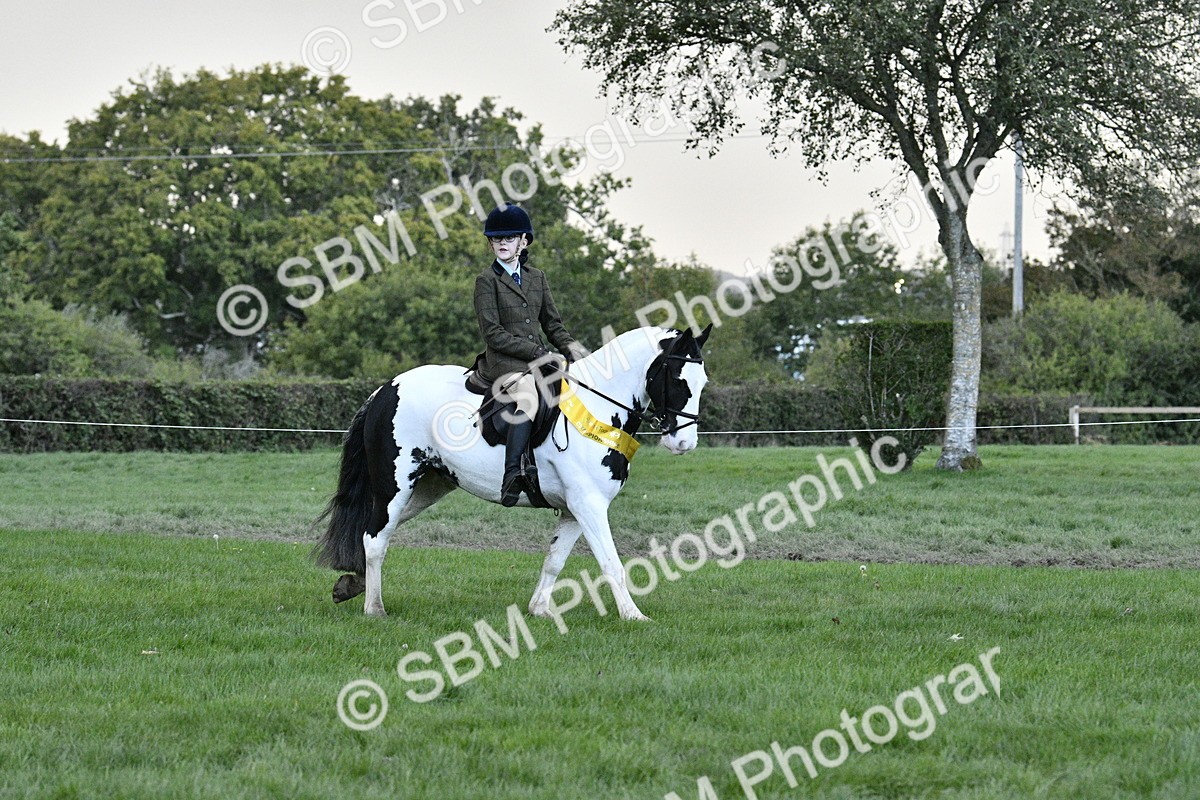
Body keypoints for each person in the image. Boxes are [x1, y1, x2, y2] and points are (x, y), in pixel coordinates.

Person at [473, 203, 582, 506]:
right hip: (504, 360)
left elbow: (552, 323)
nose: (502, 244)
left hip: (537, 358)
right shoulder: (487, 280)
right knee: (528, 395)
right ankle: (512, 474)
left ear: (523, 241)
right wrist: (537, 351)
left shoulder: (537, 278)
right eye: (497, 239)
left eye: (509, 238)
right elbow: (492, 333)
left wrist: (574, 350)